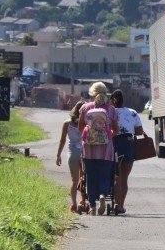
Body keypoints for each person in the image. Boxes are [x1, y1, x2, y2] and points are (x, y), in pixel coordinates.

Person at [77, 82, 119, 215]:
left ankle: (92, 206)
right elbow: (116, 129)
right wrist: (107, 135)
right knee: (105, 175)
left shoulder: (85, 107)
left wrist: (89, 136)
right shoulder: (111, 110)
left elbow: (80, 127)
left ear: (92, 93)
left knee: (90, 176)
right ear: (105, 92)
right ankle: (102, 195)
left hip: (89, 149)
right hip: (106, 149)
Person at [109, 89, 143, 214]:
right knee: (124, 178)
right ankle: (120, 206)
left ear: (112, 100)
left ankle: (112, 201)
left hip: (112, 143)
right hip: (128, 144)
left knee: (115, 176)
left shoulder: (107, 112)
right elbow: (139, 131)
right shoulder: (132, 112)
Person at [56, 101, 85, 213]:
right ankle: (83, 201)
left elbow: (62, 140)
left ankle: (73, 204)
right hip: (84, 154)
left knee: (74, 180)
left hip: (72, 154)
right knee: (84, 179)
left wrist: (58, 155)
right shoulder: (87, 123)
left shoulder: (67, 124)